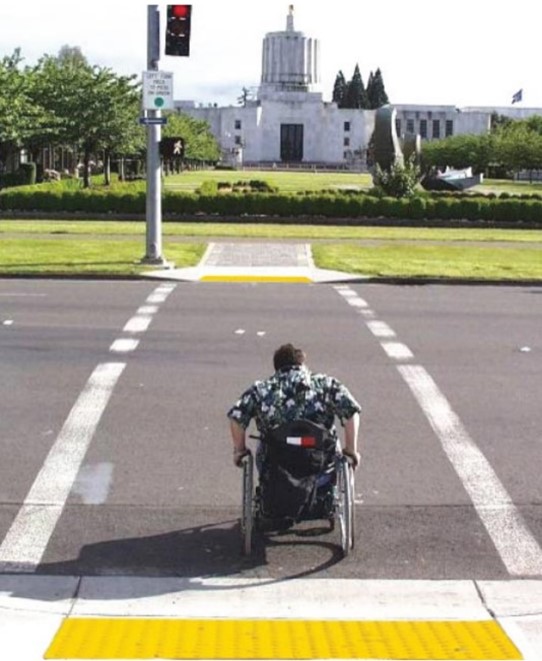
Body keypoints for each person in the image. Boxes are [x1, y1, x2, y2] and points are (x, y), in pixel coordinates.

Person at [227, 343, 361, 469]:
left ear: (277, 368)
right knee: (331, 438)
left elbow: (237, 417)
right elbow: (351, 411)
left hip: (276, 466)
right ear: (301, 364)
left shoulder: (261, 389)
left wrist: (240, 450)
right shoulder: (326, 384)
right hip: (319, 462)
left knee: (264, 440)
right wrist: (351, 450)